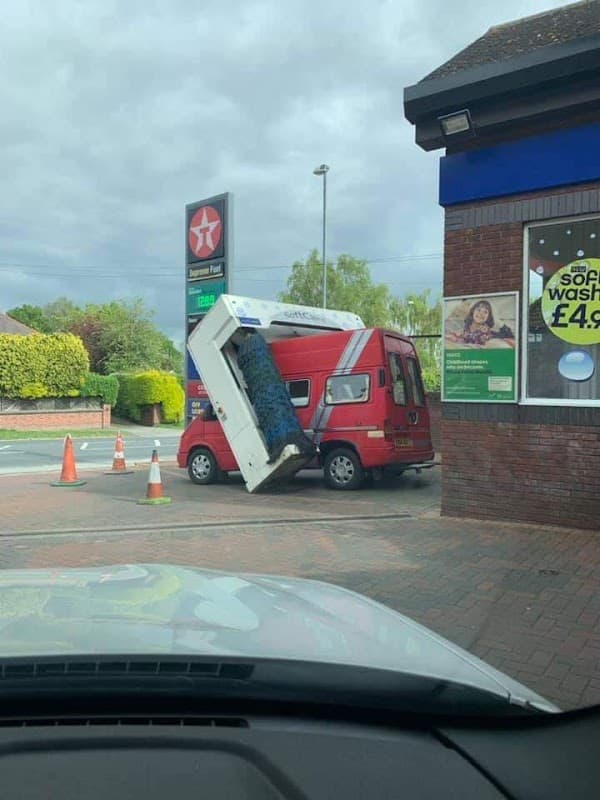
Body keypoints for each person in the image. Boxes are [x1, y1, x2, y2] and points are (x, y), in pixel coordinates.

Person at [447, 300, 514, 346]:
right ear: (473, 311)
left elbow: (509, 336)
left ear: (488, 317)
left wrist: (499, 323)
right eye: (478, 310)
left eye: (485, 312)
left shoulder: (487, 333)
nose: (481, 314)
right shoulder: (466, 327)